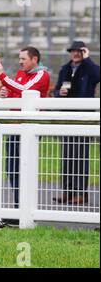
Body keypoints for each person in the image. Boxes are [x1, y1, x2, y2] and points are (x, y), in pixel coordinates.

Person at [0, 46, 50, 208]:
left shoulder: (42, 74)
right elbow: (15, 94)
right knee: (12, 170)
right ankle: (18, 207)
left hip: (28, 130)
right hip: (15, 127)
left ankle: (25, 208)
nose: (20, 62)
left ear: (34, 59)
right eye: (19, 58)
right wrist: (5, 93)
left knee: (24, 169)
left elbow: (25, 91)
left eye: (23, 59)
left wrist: (2, 76)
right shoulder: (20, 73)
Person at [53, 41, 100, 205]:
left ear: (83, 52)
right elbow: (56, 90)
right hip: (66, 117)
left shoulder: (89, 68)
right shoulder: (65, 69)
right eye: (73, 51)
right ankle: (67, 191)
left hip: (83, 118)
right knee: (67, 156)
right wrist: (60, 92)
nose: (75, 54)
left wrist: (88, 59)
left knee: (80, 157)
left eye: (79, 52)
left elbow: (97, 76)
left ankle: (81, 193)